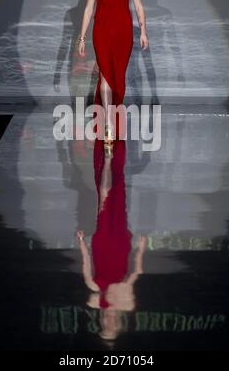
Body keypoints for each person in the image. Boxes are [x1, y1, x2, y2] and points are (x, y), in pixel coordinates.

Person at [78, 0, 149, 148]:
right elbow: (89, 8)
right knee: (106, 75)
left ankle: (112, 118)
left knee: (117, 76)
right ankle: (108, 124)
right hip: (101, 32)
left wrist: (143, 32)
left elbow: (138, 6)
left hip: (123, 33)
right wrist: (81, 37)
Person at [76, 138, 147, 342]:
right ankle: (114, 164)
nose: (108, 324)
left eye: (104, 327)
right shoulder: (127, 303)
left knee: (104, 197)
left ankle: (108, 160)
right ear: (118, 326)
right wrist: (141, 248)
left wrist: (82, 242)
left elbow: (86, 263)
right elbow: (136, 273)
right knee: (118, 198)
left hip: (102, 243)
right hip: (121, 245)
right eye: (111, 328)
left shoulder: (94, 298)